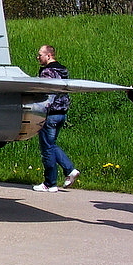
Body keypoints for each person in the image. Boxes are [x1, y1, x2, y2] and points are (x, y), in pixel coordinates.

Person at [34, 45, 80, 192]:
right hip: (62, 113)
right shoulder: (63, 70)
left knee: (47, 148)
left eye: (40, 54)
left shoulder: (47, 72)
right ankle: (69, 171)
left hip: (50, 114)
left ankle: (50, 183)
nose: (38, 57)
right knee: (52, 145)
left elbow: (47, 93)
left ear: (49, 56)